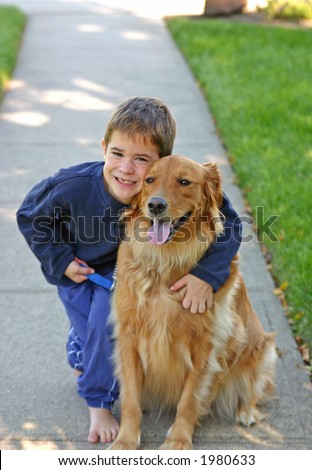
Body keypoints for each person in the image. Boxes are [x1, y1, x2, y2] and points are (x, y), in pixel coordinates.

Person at [16, 97, 242, 445]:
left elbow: (230, 223)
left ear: (162, 161)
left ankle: (87, 363)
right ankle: (100, 405)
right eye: (117, 154)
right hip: (80, 271)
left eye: (142, 161)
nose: (126, 169)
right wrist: (60, 260)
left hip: (123, 269)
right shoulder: (72, 185)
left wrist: (207, 275)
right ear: (103, 148)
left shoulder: (167, 183)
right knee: (97, 327)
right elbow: (30, 214)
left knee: (100, 325)